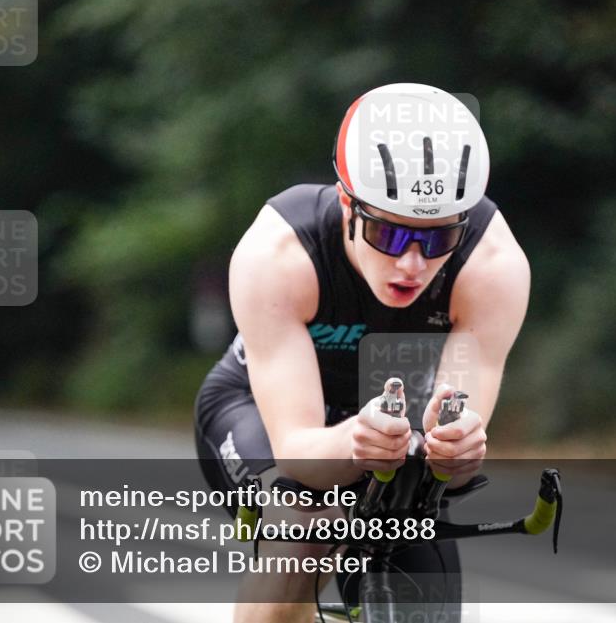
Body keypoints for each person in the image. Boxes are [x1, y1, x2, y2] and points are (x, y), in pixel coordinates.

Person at [195, 83, 530, 623]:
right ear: (347, 202)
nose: (413, 264)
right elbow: (299, 453)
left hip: (399, 433)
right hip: (259, 413)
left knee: (422, 582)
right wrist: (356, 440)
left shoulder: (492, 267)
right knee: (301, 527)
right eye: (390, 234)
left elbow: (458, 452)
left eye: (438, 238)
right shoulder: (279, 255)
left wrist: (458, 449)